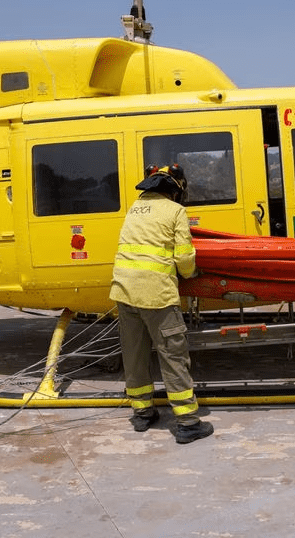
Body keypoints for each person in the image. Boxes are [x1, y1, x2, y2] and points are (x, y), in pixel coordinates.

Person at [110, 164, 213, 444]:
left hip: (124, 290)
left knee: (135, 354)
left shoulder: (134, 208)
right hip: (156, 294)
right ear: (174, 191)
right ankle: (188, 422)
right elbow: (184, 258)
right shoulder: (175, 211)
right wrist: (193, 274)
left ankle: (142, 413)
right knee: (173, 355)